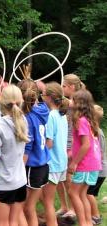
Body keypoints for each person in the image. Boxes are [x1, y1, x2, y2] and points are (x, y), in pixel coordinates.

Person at [0, 85, 29, 226]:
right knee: (14, 222)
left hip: (5, 185)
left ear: (3, 102)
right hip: (21, 182)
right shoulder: (23, 121)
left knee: (3, 223)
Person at [17, 78, 50, 226]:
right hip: (43, 166)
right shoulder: (43, 110)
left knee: (26, 208)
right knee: (30, 207)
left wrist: (19, 169)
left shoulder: (27, 118)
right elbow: (41, 103)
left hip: (32, 167)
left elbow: (28, 147)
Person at [68, 89, 101, 226]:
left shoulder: (81, 121)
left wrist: (74, 163)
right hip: (93, 164)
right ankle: (87, 222)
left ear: (79, 103)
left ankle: (83, 222)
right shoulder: (89, 119)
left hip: (84, 164)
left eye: (73, 100)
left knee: (73, 193)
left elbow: (85, 145)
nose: (70, 101)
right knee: (82, 194)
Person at [57, 73, 85, 219]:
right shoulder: (69, 102)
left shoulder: (78, 104)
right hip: (63, 144)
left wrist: (72, 150)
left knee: (69, 179)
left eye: (64, 86)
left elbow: (78, 131)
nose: (62, 88)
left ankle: (73, 208)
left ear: (72, 87)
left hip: (71, 145)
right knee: (59, 178)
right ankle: (64, 206)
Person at [41, 82, 69, 226]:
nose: (41, 96)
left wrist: (38, 147)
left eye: (43, 93)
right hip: (61, 162)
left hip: (53, 163)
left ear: (50, 97)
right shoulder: (62, 114)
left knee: (48, 202)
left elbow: (49, 143)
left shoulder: (51, 115)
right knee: (42, 196)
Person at [87, 104, 106, 225]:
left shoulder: (97, 132)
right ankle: (92, 214)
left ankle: (96, 216)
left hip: (99, 169)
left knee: (88, 193)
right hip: (101, 169)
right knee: (91, 193)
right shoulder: (98, 130)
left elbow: (99, 153)